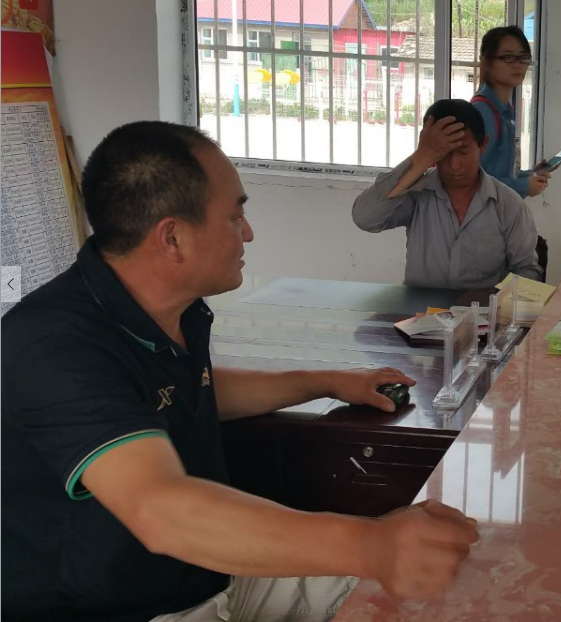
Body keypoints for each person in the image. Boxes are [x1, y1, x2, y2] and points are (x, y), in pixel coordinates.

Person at [1, 122, 480, 622]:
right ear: (172, 238)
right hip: (132, 609)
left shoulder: (170, 309)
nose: (248, 232)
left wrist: (328, 381)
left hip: (212, 575)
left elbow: (190, 393)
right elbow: (161, 511)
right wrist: (371, 545)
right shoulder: (53, 346)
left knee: (444, 593)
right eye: (235, 215)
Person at [352, 99, 544, 289]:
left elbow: (527, 270)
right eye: (443, 153)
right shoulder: (416, 193)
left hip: (482, 307)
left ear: (482, 145)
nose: (454, 164)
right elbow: (365, 218)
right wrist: (421, 157)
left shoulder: (508, 204)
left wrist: (495, 299)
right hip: (418, 308)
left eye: (463, 151)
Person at [472, 25, 550, 199]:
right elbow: (473, 181)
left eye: (523, 57)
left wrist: (530, 175)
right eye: (508, 57)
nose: (517, 65)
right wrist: (524, 186)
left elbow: (499, 173)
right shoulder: (483, 112)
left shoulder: (504, 110)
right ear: (486, 62)